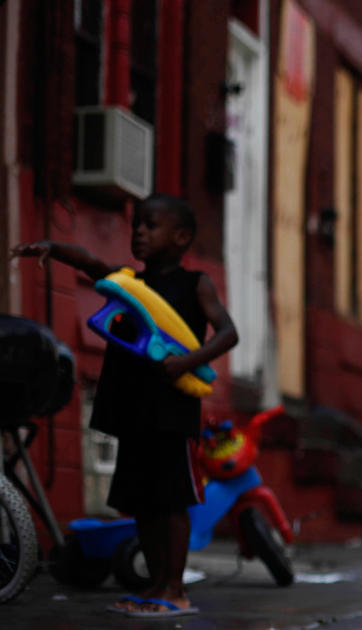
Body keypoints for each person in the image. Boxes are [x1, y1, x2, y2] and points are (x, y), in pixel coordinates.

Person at [11, 194, 238, 618]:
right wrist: (54, 248)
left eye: (151, 225)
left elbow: (228, 333)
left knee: (171, 502)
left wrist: (187, 361)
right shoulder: (130, 282)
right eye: (137, 224)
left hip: (173, 414)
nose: (139, 232)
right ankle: (153, 586)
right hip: (136, 412)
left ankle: (175, 590)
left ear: (181, 236)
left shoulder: (196, 285)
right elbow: (92, 264)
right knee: (144, 503)